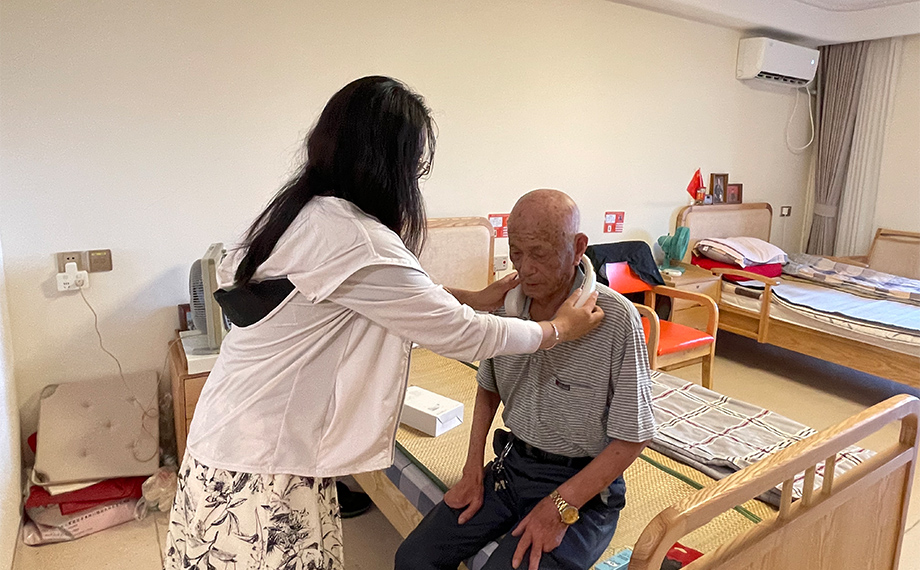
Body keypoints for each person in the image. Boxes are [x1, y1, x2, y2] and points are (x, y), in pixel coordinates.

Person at [163, 78, 604, 570]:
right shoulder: (357, 238)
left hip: (226, 436)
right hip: (263, 463)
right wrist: (557, 330)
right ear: (388, 165)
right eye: (415, 167)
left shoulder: (301, 213)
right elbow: (461, 332)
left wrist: (471, 298)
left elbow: (383, 293)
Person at [395, 190, 655, 570]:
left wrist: (561, 504)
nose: (525, 267)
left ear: (578, 247)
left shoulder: (617, 320)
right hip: (513, 465)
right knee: (413, 558)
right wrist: (472, 468)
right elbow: (488, 389)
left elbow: (634, 436)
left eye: (539, 253)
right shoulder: (505, 306)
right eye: (516, 252)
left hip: (584, 484)